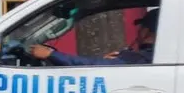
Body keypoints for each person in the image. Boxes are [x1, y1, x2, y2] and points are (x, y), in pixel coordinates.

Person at [27, 8, 159, 66]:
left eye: (141, 28)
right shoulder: (151, 55)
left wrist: (51, 54)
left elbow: (90, 65)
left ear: (147, 32)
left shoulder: (140, 58)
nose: (138, 32)